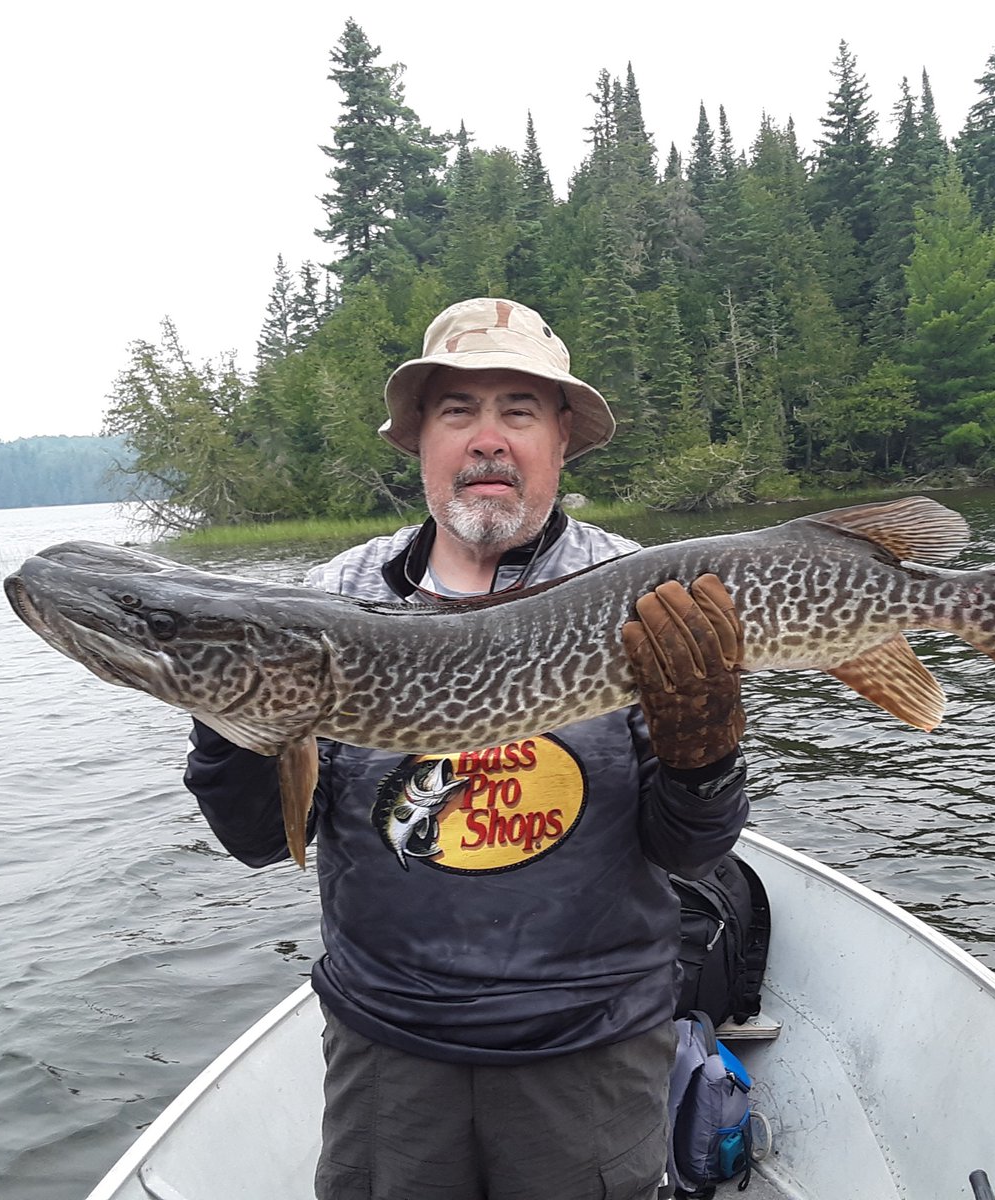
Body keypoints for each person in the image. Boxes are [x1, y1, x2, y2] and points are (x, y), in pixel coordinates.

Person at [183, 297, 749, 1200]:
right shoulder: (333, 597)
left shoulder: (652, 595)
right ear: (419, 443)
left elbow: (692, 852)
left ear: (562, 439)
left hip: (590, 1047)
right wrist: (231, 709)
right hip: (389, 1048)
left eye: (519, 410)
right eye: (458, 412)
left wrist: (704, 752)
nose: (489, 438)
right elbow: (258, 839)